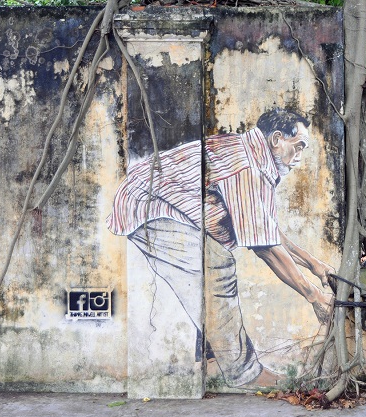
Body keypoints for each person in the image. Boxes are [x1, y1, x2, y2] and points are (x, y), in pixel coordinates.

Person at [107, 108, 334, 387]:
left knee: (209, 265)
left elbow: (267, 231)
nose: (299, 156)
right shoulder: (246, 165)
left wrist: (314, 264)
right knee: (216, 266)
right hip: (146, 204)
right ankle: (243, 373)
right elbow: (265, 247)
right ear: (277, 139)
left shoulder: (256, 158)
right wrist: (313, 296)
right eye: (298, 146)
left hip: (157, 200)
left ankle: (212, 357)